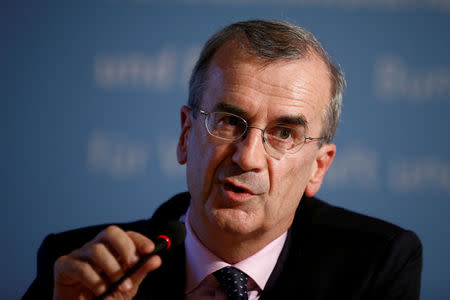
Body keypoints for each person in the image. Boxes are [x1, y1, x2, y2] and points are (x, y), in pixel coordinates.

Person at [23, 20, 422, 300]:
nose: (247, 157)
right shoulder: (79, 269)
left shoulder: (374, 264)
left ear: (318, 167)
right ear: (185, 134)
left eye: (284, 133)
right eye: (230, 122)